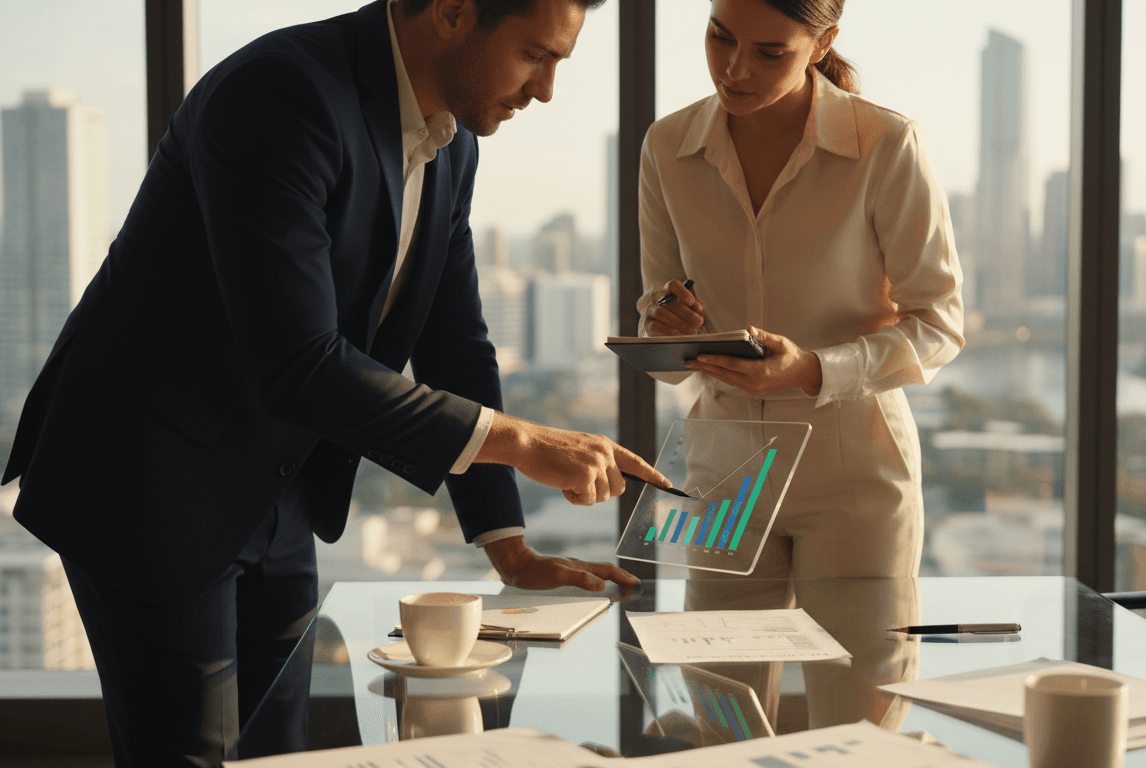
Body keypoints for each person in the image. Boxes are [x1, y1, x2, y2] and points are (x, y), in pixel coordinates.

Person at [0, 0, 664, 764]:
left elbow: (457, 344)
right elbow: (297, 360)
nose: (545, 89)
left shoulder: (450, 143)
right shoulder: (282, 93)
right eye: (535, 55)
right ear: (451, 12)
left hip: (278, 477)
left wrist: (506, 544)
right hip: (151, 473)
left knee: (281, 755)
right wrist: (520, 441)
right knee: (190, 756)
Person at [637, 0, 963, 722]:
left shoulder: (885, 144)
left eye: (769, 52)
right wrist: (663, 323)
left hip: (854, 473)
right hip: (723, 472)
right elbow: (662, 344)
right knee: (721, 727)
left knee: (859, 734)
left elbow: (938, 326)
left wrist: (812, 370)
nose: (734, 68)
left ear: (823, 44)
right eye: (719, 38)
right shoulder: (667, 146)